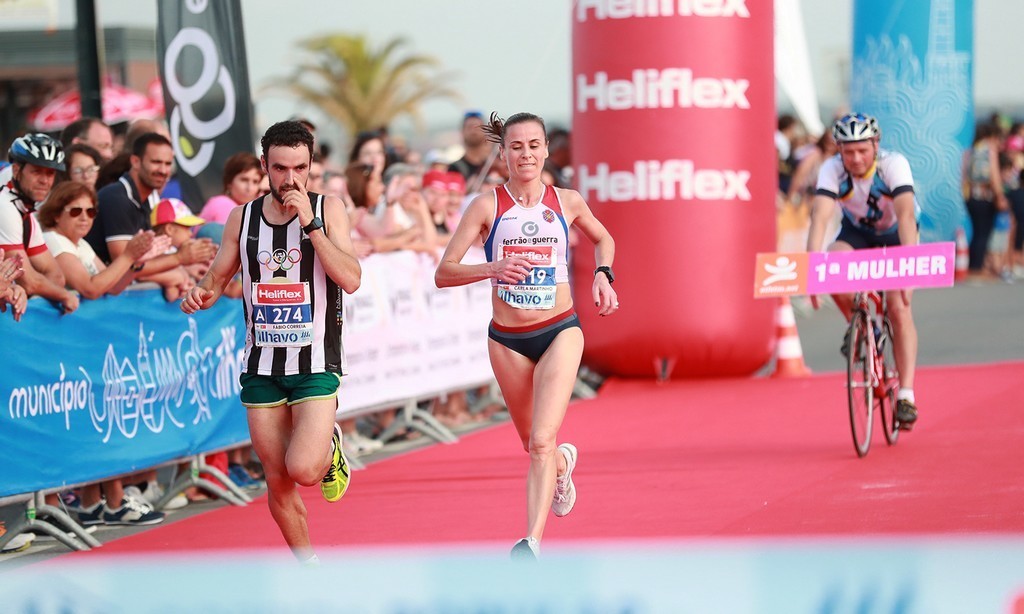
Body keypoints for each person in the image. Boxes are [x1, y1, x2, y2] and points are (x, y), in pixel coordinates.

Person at [434, 112, 619, 560]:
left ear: (545, 150)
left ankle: (530, 543)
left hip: (559, 331)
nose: (526, 154)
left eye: (534, 145)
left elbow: (604, 238)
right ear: (503, 154)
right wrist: (492, 268)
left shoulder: (567, 201)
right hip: (507, 340)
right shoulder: (486, 206)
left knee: (540, 440)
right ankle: (562, 464)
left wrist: (603, 274)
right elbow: (444, 272)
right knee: (532, 443)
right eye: (516, 147)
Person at [180, 120, 361, 565]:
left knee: (303, 469)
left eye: (300, 167)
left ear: (311, 166)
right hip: (261, 365)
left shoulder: (329, 208)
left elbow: (352, 279)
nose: (290, 179)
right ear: (265, 166)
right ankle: (309, 568)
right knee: (277, 479)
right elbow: (219, 275)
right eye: (280, 168)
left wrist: (311, 225)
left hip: (315, 361)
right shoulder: (242, 218)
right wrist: (200, 292)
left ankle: (329, 445)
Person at [806, 112, 921, 429]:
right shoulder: (832, 169)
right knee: (832, 266)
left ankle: (906, 396)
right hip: (857, 234)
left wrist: (908, 273)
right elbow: (820, 218)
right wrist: (815, 276)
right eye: (848, 151)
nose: (856, 158)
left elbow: (907, 215)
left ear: (875, 144)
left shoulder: (892, 164)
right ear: (839, 150)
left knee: (899, 307)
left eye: (862, 150)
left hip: (896, 235)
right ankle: (862, 328)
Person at [0, 133, 79, 314]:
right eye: (36, 171)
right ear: (16, 171)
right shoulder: (4, 206)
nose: (44, 181)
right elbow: (30, 281)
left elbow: (56, 275)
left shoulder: (24, 211)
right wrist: (64, 296)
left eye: (50, 173)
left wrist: (28, 292)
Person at [199, 152, 263, 224]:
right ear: (229, 181)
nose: (249, 188)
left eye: (255, 182)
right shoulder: (222, 204)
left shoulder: (258, 206)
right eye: (244, 180)